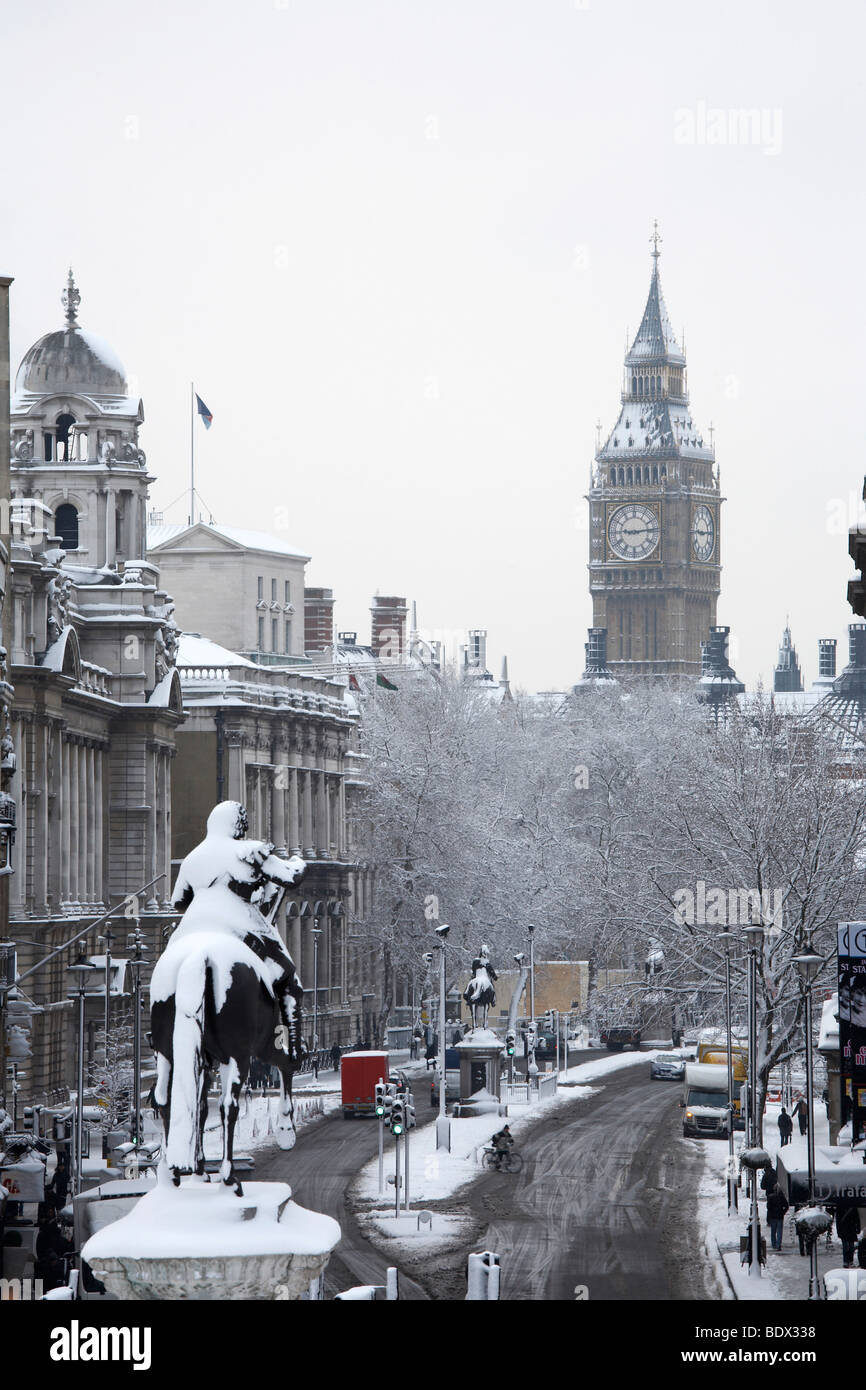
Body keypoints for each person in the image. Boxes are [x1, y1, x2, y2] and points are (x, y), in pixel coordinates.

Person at [836, 1203, 861, 1268]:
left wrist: (858, 1228)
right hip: (846, 1230)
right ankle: (847, 1261)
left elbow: (857, 1218)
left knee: (851, 1247)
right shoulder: (841, 1207)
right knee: (847, 1247)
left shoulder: (851, 1207)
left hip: (849, 1229)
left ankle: (850, 1261)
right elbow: (838, 1220)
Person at [765, 1183, 789, 1251]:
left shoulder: (770, 1197)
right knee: (779, 1232)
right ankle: (779, 1245)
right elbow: (786, 1206)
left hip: (773, 1216)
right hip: (780, 1216)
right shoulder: (782, 1197)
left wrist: (770, 1214)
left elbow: (768, 1207)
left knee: (773, 1231)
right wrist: (783, 1212)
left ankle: (774, 1244)